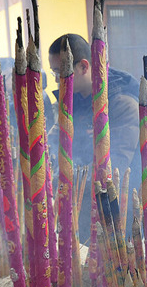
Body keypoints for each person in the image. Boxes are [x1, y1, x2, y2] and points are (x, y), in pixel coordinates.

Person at [47, 34, 141, 242]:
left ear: (83, 66)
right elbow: (55, 137)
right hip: (84, 198)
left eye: (60, 72)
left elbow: (115, 162)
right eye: (54, 72)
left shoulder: (121, 100)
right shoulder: (74, 97)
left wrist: (69, 179)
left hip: (118, 204)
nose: (56, 79)